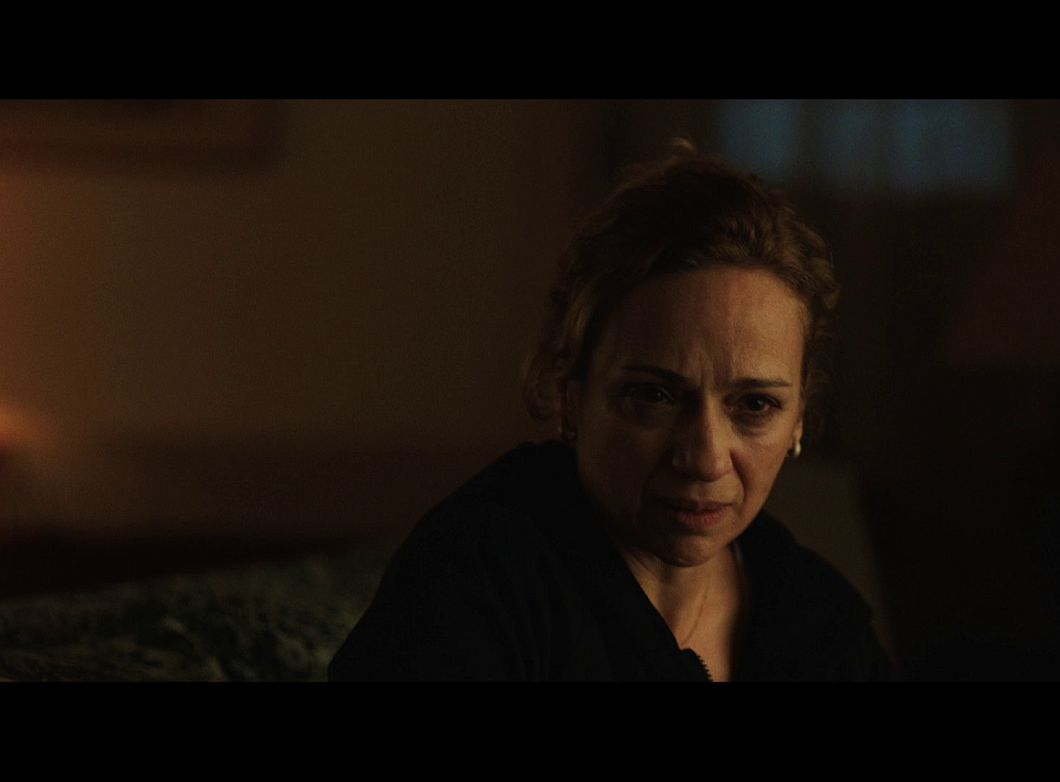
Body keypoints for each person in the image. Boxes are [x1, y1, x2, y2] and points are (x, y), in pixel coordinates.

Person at [329, 140, 896, 681]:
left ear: (799, 419)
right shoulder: (474, 580)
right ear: (571, 393)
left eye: (755, 405)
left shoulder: (821, 626)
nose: (705, 459)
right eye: (654, 397)